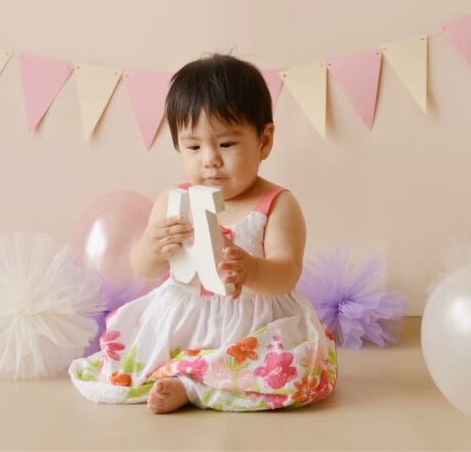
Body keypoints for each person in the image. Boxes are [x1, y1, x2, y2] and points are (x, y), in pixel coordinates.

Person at [68, 53, 337, 413]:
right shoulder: (174, 201)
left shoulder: (276, 204)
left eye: (226, 144)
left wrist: (254, 270)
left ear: (265, 140)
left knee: (287, 367)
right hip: (183, 313)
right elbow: (143, 268)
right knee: (128, 354)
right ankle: (185, 374)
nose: (209, 159)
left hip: (252, 321)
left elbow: (287, 272)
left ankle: (191, 384)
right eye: (193, 146)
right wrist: (152, 246)